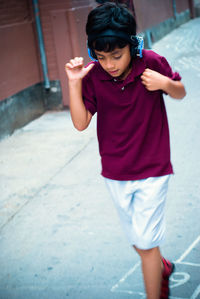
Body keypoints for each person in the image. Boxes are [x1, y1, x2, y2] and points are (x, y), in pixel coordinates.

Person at [65, 3, 186, 299]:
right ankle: (161, 265)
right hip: (115, 172)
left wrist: (165, 83)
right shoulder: (94, 75)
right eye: (102, 56)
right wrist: (73, 84)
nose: (110, 64)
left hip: (153, 170)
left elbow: (180, 92)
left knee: (146, 245)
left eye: (117, 55)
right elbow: (81, 124)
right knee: (139, 240)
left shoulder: (153, 62)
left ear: (131, 45)